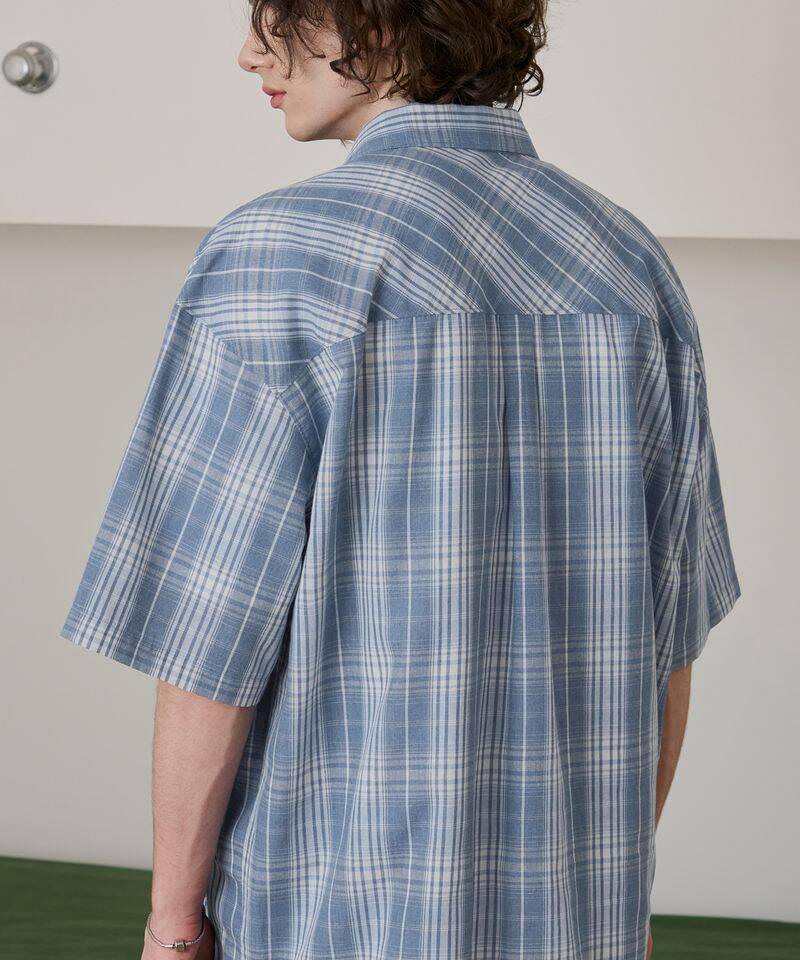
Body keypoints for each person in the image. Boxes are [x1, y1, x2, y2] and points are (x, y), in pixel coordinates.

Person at [59, 2, 742, 958]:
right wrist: (614, 896)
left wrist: (172, 923)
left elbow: (208, 642)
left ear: (381, 24)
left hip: (334, 919)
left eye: (278, 15)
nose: (250, 52)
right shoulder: (629, 263)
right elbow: (668, 640)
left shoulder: (277, 254)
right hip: (579, 922)